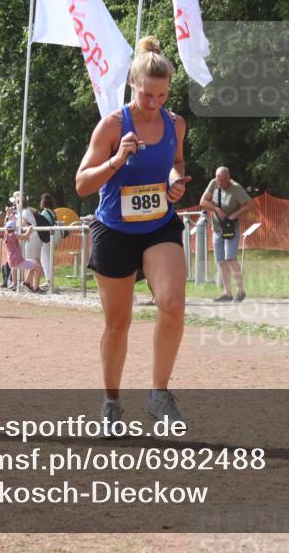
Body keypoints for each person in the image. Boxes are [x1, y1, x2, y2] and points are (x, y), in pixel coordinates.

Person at [75, 35, 190, 429]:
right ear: (132, 85)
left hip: (159, 224)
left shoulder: (176, 124)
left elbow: (176, 162)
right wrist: (117, 160)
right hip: (114, 230)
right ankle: (111, 403)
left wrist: (175, 181)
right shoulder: (111, 125)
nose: (154, 103)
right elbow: (82, 184)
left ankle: (159, 395)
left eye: (162, 96)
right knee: (118, 323)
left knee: (172, 303)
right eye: (147, 95)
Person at [200, 167, 254, 302]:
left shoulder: (236, 188)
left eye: (222, 180)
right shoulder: (213, 184)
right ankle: (228, 294)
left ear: (229, 179)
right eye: (217, 179)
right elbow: (202, 202)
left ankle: (241, 291)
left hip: (231, 228)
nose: (219, 182)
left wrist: (235, 214)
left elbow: (249, 204)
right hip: (217, 228)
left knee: (230, 259)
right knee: (221, 261)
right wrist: (216, 209)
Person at [5, 220, 43, 288]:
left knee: (35, 263)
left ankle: (19, 283)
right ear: (14, 228)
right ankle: (35, 287)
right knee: (38, 267)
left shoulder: (7, 235)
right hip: (18, 261)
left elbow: (20, 235)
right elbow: (25, 236)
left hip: (13, 261)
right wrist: (29, 229)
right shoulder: (12, 235)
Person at [37, 193, 59, 294]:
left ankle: (49, 281)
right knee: (48, 259)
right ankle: (50, 280)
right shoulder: (53, 212)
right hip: (53, 237)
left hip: (46, 238)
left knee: (45, 259)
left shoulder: (45, 213)